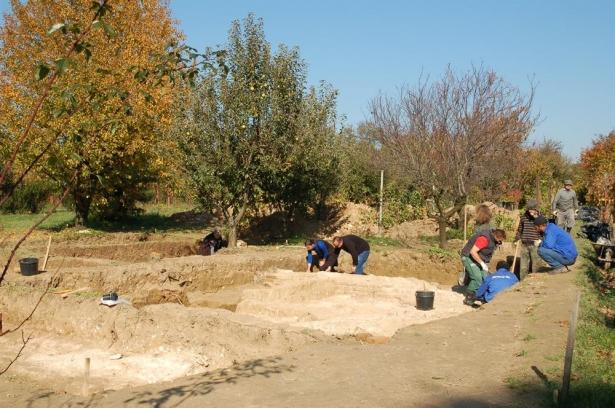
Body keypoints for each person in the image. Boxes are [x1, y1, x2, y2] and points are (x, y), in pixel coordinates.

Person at [460, 228, 507, 305]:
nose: (500, 242)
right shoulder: (484, 239)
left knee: (485, 279)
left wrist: (484, 263)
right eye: (499, 240)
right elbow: (473, 252)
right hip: (468, 257)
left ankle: (480, 296)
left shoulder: (493, 238)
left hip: (478, 258)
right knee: (477, 278)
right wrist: (482, 263)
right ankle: (469, 297)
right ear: (495, 236)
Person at [514, 199, 542, 280]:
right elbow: (520, 229)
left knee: (535, 265)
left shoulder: (541, 218)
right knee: (523, 266)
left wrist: (540, 239)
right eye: (529, 210)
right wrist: (516, 239)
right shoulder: (523, 217)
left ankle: (535, 281)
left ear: (536, 209)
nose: (530, 212)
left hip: (535, 244)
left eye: (532, 210)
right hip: (524, 244)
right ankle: (523, 281)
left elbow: (544, 230)